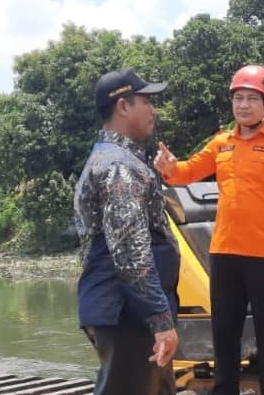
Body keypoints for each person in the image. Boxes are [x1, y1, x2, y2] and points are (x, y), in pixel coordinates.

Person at [154, 65, 264, 395]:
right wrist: (170, 168)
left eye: (252, 98)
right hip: (224, 253)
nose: (243, 105)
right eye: (238, 98)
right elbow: (189, 171)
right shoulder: (221, 143)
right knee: (224, 332)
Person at [74, 68, 180, 395]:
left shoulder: (113, 157)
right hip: (128, 315)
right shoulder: (119, 165)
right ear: (123, 106)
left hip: (125, 311)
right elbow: (131, 254)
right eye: (147, 101)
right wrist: (160, 321)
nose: (154, 110)